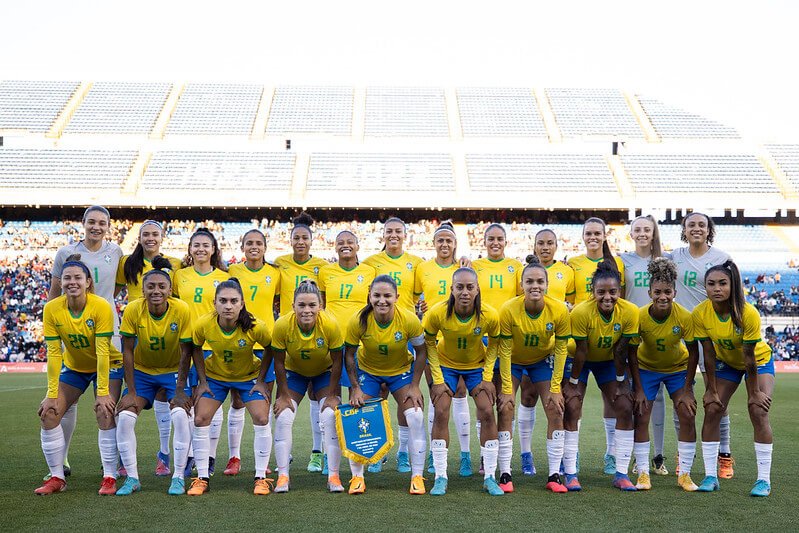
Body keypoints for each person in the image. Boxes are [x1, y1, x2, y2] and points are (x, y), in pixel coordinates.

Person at [46, 206, 124, 480]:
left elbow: (116, 289)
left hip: (107, 332)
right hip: (75, 333)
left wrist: (99, 308)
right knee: (68, 403)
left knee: (106, 403)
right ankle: (62, 459)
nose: (96, 227)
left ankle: (110, 466)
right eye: (91, 222)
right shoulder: (65, 253)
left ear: (108, 226)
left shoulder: (115, 252)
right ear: (83, 223)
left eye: (102, 223)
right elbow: (55, 294)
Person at [35, 255, 122, 495]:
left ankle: (109, 477)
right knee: (49, 413)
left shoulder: (101, 306)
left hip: (107, 364)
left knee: (105, 411)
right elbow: (54, 353)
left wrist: (103, 392)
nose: (72, 282)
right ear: (60, 282)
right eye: (67, 278)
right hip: (74, 368)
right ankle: (57, 477)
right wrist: (52, 394)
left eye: (77, 278)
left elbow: (103, 351)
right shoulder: (52, 309)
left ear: (88, 283)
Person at [692, 261, 774, 496]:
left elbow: (749, 358)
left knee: (758, 410)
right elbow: (707, 352)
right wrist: (710, 388)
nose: (717, 288)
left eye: (722, 283)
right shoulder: (700, 313)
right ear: (705, 287)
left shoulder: (747, 313)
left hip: (757, 363)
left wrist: (754, 393)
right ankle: (710, 476)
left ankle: (763, 481)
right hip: (726, 363)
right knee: (713, 408)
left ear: (732, 285)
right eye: (711, 284)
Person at [187, 279, 274, 496]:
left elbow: (271, 349)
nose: (228, 306)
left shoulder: (255, 326)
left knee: (262, 418)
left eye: (234, 301)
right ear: (214, 303)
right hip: (216, 377)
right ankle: (202, 477)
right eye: (223, 301)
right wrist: (202, 381)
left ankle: (261, 477)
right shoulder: (203, 324)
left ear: (242, 303)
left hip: (248, 378)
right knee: (200, 418)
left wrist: (262, 381)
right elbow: (195, 348)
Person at [115, 257, 194, 495]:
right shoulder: (132, 309)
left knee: (180, 415)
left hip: (172, 373)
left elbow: (186, 351)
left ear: (170, 290)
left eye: (162, 286)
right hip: (142, 373)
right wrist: (130, 391)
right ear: (143, 289)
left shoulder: (181, 309)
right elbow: (127, 350)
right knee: (126, 417)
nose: (156, 291)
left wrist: (180, 389)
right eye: (151, 286)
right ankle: (132, 478)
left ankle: (178, 476)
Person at [344, 275, 427, 495]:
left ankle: (417, 476)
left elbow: (422, 352)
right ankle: (357, 478)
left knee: (416, 415)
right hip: (369, 374)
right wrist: (355, 387)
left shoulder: (409, 320)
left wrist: (415, 385)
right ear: (369, 296)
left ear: (397, 297)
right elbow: (349, 356)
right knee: (356, 414)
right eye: (377, 295)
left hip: (400, 373)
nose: (382, 300)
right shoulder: (358, 321)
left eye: (387, 296)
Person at [424, 268, 504, 496]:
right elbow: (429, 343)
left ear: (478, 289)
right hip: (446, 364)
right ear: (452, 289)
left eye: (470, 287)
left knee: (487, 411)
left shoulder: (489, 314)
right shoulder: (437, 313)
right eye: (460, 287)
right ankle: (440, 477)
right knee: (440, 411)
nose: (465, 292)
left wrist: (487, 377)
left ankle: (489, 476)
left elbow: (495, 345)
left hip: (476, 365)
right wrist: (437, 380)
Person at [562, 260, 639, 491]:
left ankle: (621, 473)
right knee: (572, 405)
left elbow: (623, 350)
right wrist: (573, 384)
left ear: (620, 292)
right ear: (592, 292)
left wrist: (621, 383)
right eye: (601, 292)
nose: (607, 297)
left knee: (625, 406)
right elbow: (582, 351)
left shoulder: (630, 312)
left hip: (608, 361)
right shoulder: (582, 312)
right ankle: (571, 472)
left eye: (613, 292)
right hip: (579, 360)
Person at [497, 255, 571, 493]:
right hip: (514, 362)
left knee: (555, 408)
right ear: (521, 285)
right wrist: (507, 389)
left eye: (540, 281)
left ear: (547, 284)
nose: (535, 286)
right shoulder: (509, 309)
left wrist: (556, 387)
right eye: (529, 281)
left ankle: (554, 475)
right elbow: (505, 351)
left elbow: (561, 349)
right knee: (506, 407)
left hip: (541, 361)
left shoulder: (558, 310)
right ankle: (505, 473)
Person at [670, 212, 735, 478]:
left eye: (701, 225)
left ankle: (725, 454)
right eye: (691, 225)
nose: (696, 228)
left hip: (713, 333)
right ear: (684, 230)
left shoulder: (722, 258)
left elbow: (734, 293)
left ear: (709, 230)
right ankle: (683, 453)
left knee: (718, 398)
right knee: (680, 397)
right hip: (683, 334)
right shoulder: (674, 256)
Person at [627, 257, 701, 492]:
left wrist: (688, 390)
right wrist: (637, 389)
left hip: (677, 369)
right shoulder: (638, 316)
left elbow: (693, 353)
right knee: (641, 414)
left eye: (667, 291)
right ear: (649, 292)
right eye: (657, 291)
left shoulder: (685, 317)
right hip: (646, 369)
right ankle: (643, 474)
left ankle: (685, 475)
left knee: (687, 414)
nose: (663, 296)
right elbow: (631, 354)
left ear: (675, 292)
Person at [115, 220, 182, 477]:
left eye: (155, 234)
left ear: (162, 237)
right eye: (146, 234)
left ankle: (163, 454)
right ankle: (123, 457)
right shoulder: (127, 264)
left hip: (164, 330)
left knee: (165, 398)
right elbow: (114, 291)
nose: (150, 238)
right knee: (129, 397)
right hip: (136, 329)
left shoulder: (175, 264)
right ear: (139, 238)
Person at [271, 281, 345, 493]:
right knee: (284, 416)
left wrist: (332, 395)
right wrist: (283, 394)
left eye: (312, 305)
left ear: (320, 306)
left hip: (324, 373)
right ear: (293, 305)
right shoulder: (283, 325)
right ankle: (283, 476)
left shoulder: (330, 324)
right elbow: (278, 361)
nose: (307, 310)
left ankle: (334, 476)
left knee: (330, 416)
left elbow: (337, 361)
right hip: (294, 373)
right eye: (301, 305)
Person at [362, 218, 423, 473]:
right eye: (390, 231)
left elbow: (421, 295)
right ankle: (378, 451)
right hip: (376, 333)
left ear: (405, 235)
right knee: (376, 398)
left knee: (405, 399)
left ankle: (402, 452)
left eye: (399, 231)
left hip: (404, 334)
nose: (394, 235)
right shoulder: (370, 263)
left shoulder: (417, 263)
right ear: (383, 235)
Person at [567, 216, 626, 475]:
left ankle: (612, 454)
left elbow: (620, 299)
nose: (592, 237)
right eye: (588, 233)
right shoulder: (573, 264)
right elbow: (566, 298)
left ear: (604, 236)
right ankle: (573, 455)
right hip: (579, 338)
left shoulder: (617, 263)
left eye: (597, 233)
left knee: (612, 399)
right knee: (574, 401)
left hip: (607, 341)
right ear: (582, 236)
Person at [414, 222, 473, 477]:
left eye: (449, 240)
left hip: (458, 337)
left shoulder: (463, 269)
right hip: (431, 337)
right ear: (434, 243)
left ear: (455, 244)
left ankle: (465, 455)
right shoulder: (423, 268)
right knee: (437, 394)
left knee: (460, 393)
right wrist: (419, 311)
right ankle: (433, 453)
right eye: (440, 240)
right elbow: (415, 298)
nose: (445, 244)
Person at [172, 228, 233, 476]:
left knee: (209, 402)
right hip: (186, 343)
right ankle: (189, 455)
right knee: (187, 402)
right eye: (196, 244)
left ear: (213, 249)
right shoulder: (180, 276)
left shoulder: (224, 276)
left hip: (212, 344)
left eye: (206, 245)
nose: (201, 249)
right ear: (190, 249)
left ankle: (208, 456)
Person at [517, 228, 575, 476]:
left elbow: (573, 302)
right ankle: (526, 453)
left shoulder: (566, 271)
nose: (545, 247)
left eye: (550, 243)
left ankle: (561, 457)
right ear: (534, 246)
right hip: (526, 344)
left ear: (556, 246)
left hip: (552, 346)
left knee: (557, 401)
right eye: (540, 243)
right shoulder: (525, 271)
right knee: (527, 397)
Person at [274, 213, 329, 473]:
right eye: (296, 237)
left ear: (311, 240)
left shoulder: (322, 267)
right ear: (290, 239)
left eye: (304, 237)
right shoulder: (279, 264)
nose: (300, 241)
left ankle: (318, 452)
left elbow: (324, 299)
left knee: (320, 399)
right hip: (290, 335)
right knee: (287, 400)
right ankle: (286, 455)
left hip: (318, 335)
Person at [227, 228, 281, 475]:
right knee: (237, 400)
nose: (254, 247)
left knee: (264, 401)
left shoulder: (275, 273)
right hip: (241, 342)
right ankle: (234, 457)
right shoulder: (233, 271)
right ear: (242, 247)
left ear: (265, 247)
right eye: (249, 243)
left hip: (266, 343)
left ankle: (263, 459)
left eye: (258, 243)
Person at [620, 215, 670, 476]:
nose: (642, 233)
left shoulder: (665, 261)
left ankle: (658, 456)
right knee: (631, 394)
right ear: (631, 234)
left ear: (653, 233)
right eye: (637, 229)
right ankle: (632, 453)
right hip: (632, 331)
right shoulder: (623, 260)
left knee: (658, 395)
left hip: (658, 331)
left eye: (647, 230)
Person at [471, 223, 522, 474]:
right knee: (485, 403)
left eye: (499, 239)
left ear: (505, 241)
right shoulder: (475, 266)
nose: (495, 243)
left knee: (505, 402)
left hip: (507, 341)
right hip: (482, 340)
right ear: (484, 241)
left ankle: (504, 459)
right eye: (490, 238)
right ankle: (486, 456)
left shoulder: (516, 267)